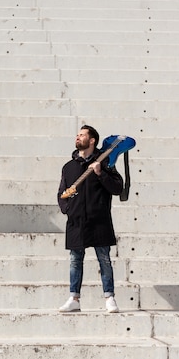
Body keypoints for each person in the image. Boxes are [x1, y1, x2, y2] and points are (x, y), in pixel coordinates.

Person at [57, 125, 124, 313]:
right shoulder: (69, 167)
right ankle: (74, 298)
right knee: (75, 260)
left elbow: (118, 188)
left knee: (104, 259)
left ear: (92, 140)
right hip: (76, 221)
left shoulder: (106, 163)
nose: (78, 137)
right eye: (77, 134)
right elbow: (61, 193)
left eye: (82, 135)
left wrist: (100, 173)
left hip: (99, 220)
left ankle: (109, 298)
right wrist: (67, 209)